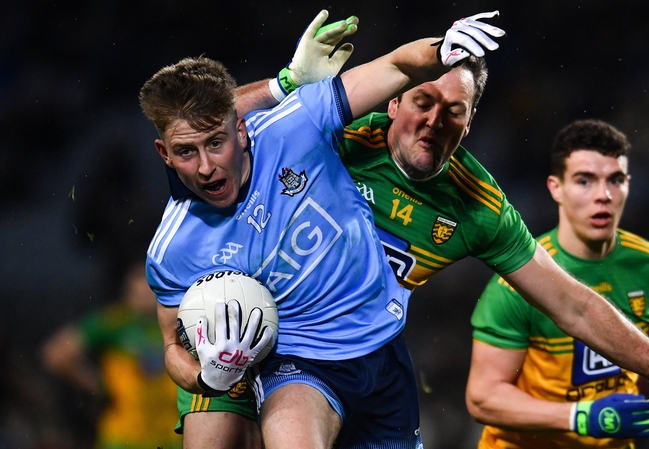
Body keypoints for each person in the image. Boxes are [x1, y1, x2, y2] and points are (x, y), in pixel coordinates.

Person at [230, 12, 649, 445]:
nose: (434, 120)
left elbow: (574, 305)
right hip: (282, 346)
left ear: (469, 123)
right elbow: (208, 134)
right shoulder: (333, 133)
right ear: (392, 101)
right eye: (423, 101)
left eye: (454, 111)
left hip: (374, 365)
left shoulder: (479, 207)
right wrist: (286, 84)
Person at [139, 9, 506, 449]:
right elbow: (171, 347)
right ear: (164, 154)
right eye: (185, 153)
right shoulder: (173, 248)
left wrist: (440, 51)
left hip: (359, 347)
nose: (204, 167)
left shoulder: (297, 124)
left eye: (216, 144)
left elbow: (396, 66)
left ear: (241, 130)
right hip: (260, 356)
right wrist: (206, 377)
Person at [464, 119, 649, 448]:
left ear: (628, 185)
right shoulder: (518, 283)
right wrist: (580, 416)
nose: (603, 195)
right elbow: (483, 398)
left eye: (615, 180)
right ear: (556, 188)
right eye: (584, 181)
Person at [41, 263, 182, 449]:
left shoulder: (174, 322)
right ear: (128, 290)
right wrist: (98, 386)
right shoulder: (114, 322)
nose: (145, 293)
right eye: (140, 287)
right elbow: (56, 354)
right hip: (122, 438)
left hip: (170, 436)